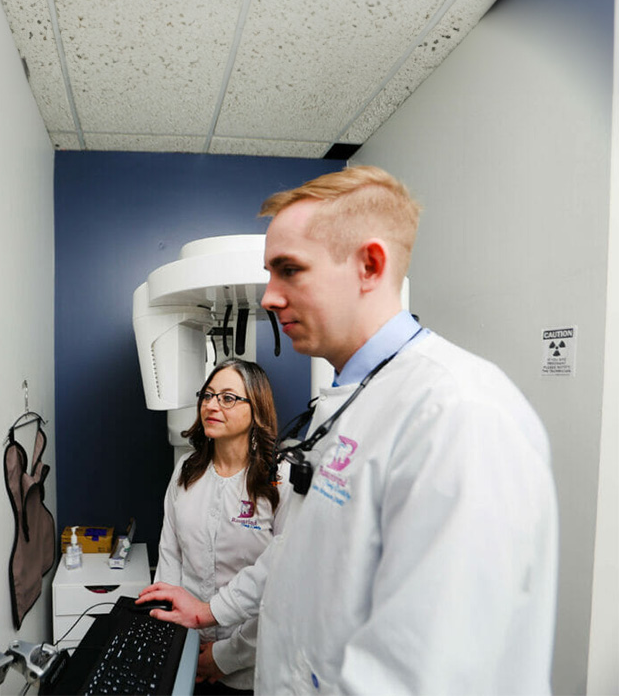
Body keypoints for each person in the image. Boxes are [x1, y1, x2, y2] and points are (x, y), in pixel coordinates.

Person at [139, 165, 559, 694]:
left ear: (369, 265)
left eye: (290, 269)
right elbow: (289, 553)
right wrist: (209, 611)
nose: (269, 296)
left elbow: (430, 670)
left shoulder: (457, 414)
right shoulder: (343, 406)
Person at [154, 358, 291, 694]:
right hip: (186, 655)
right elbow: (170, 558)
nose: (212, 405)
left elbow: (282, 589)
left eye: (228, 398)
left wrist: (223, 657)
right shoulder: (186, 471)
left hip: (250, 668)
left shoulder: (281, 479)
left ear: (256, 408)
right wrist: (173, 640)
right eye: (208, 395)